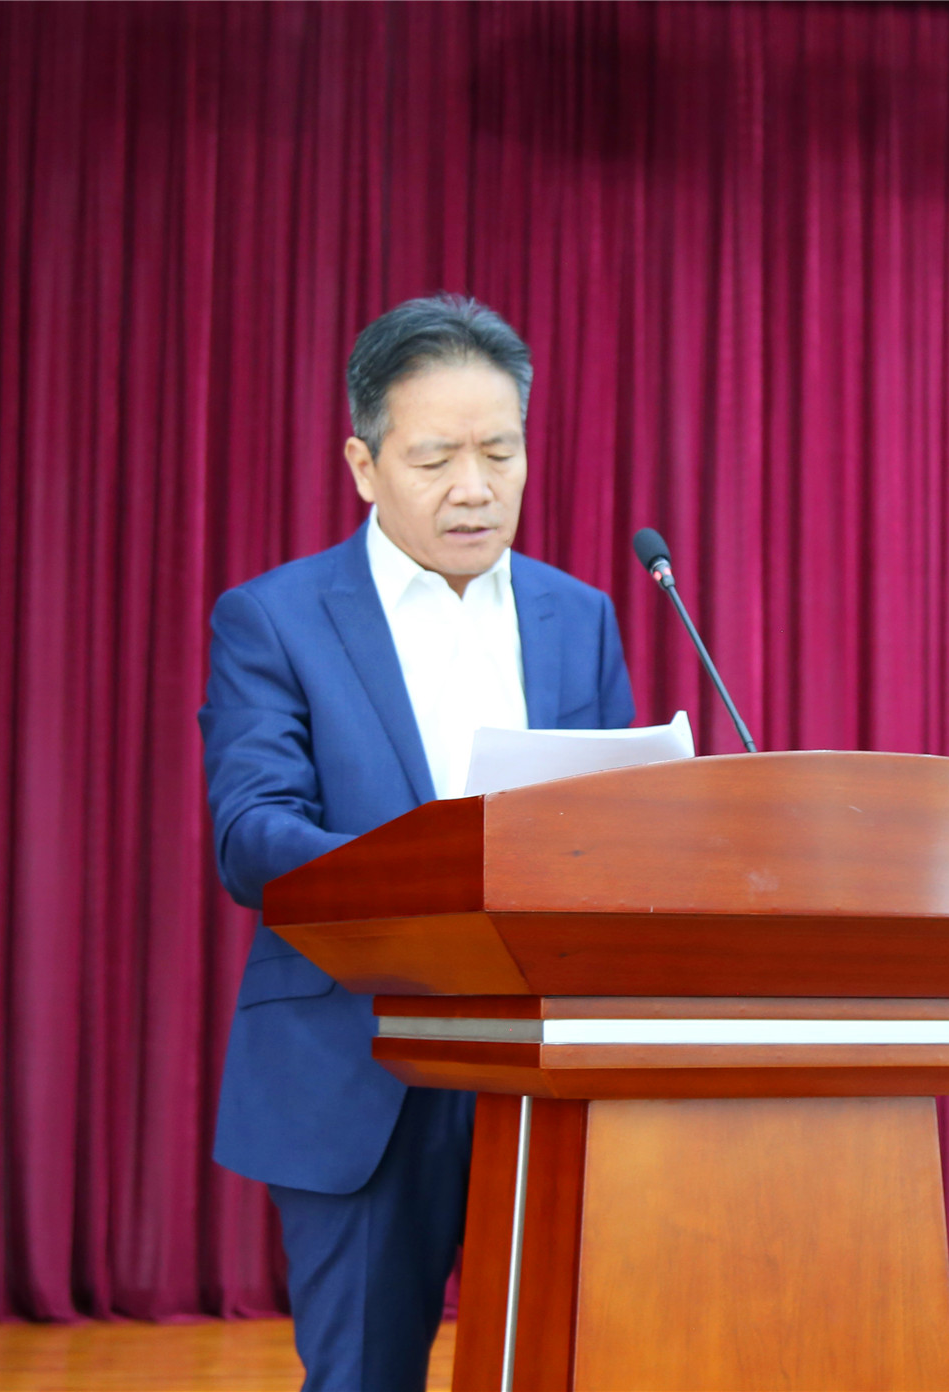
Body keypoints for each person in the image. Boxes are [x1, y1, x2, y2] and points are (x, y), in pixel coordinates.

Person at [198, 295, 636, 1391]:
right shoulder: (275, 618)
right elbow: (252, 834)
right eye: (436, 458)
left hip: (543, 1068)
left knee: (555, 1368)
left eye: (501, 452)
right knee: (363, 1376)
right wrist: (439, 870)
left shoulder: (577, 617)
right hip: (360, 1055)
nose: (475, 487)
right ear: (364, 464)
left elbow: (618, 826)